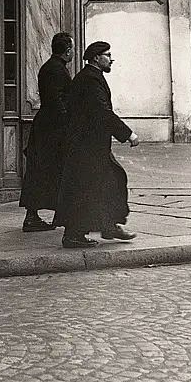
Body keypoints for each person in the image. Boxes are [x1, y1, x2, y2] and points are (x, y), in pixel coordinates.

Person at [54, 41, 139, 248]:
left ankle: (109, 225)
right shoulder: (90, 80)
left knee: (110, 181)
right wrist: (127, 134)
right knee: (85, 188)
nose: (111, 59)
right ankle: (74, 235)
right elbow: (102, 112)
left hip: (91, 145)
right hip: (86, 147)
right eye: (107, 55)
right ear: (95, 58)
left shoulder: (91, 77)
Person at [19, 32, 74, 232]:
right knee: (46, 172)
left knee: (41, 172)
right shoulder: (56, 70)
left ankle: (36, 216)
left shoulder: (51, 67)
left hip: (46, 128)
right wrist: (69, 124)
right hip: (51, 131)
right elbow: (58, 103)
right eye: (72, 49)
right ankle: (37, 217)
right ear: (67, 51)